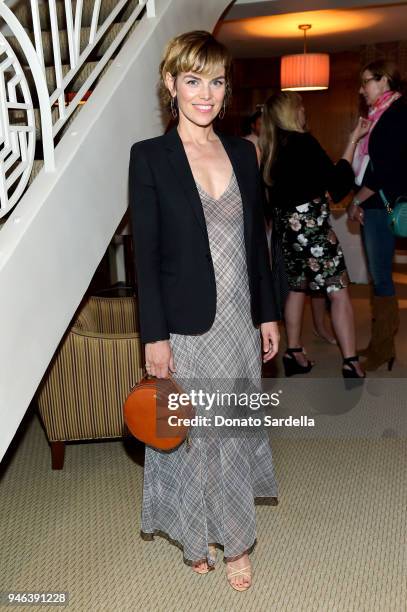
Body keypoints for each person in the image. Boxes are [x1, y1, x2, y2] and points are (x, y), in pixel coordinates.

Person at [129, 31, 281, 592]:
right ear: (171, 85)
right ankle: (197, 534)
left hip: (240, 317)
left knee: (233, 431)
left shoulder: (244, 151)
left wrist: (268, 313)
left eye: (216, 82)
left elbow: (256, 242)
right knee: (194, 435)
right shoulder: (149, 158)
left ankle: (237, 540)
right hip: (187, 325)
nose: (206, 93)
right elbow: (145, 255)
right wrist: (155, 335)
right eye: (193, 80)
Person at [260, 91, 369, 378]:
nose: (305, 111)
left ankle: (294, 352)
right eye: (301, 107)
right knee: (340, 292)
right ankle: (351, 361)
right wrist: (352, 140)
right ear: (290, 112)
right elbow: (337, 185)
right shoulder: (303, 142)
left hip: (287, 234)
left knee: (297, 290)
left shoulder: (272, 150)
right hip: (313, 232)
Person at [347, 60, 407, 370]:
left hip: (380, 206)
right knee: (379, 277)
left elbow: (383, 172)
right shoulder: (383, 115)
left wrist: (356, 201)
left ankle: (383, 349)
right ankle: (380, 345)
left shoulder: (394, 116)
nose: (361, 89)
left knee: (382, 278)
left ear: (384, 81)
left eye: (366, 82)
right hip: (378, 205)